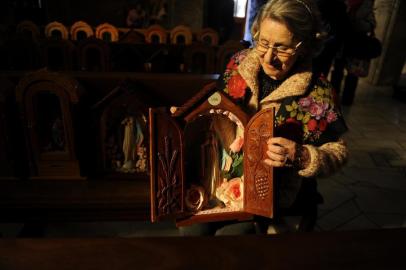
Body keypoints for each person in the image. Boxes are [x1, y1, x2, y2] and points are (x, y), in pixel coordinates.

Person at [180, 0, 348, 236]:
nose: (269, 57)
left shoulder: (317, 92)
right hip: (220, 179)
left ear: (304, 45)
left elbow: (338, 152)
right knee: (190, 231)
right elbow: (215, 110)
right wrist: (186, 120)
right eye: (263, 43)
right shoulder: (239, 63)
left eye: (282, 47)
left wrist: (300, 155)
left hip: (271, 196)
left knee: (233, 238)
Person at [330, 0, 377, 105]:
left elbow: (371, 24)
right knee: (337, 69)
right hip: (341, 43)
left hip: (356, 43)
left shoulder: (366, 4)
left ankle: (347, 99)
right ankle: (332, 95)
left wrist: (355, 22)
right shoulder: (342, 3)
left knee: (353, 73)